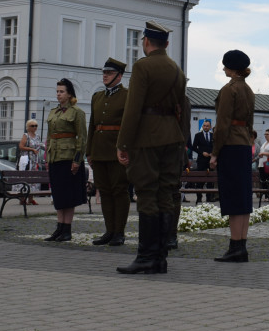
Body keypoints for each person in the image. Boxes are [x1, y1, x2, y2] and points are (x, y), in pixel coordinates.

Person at [115, 21, 188, 274]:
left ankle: (146, 256)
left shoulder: (142, 66)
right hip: (173, 137)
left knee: (147, 192)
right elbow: (182, 108)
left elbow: (133, 109)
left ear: (146, 42)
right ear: (166, 44)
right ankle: (160, 257)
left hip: (148, 138)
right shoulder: (176, 69)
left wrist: (123, 143)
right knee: (166, 194)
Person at [210, 49, 255, 263]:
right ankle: (241, 245)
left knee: (233, 196)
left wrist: (215, 152)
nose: (223, 68)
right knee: (243, 197)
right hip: (244, 144)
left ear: (231, 68)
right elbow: (250, 123)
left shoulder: (229, 90)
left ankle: (235, 246)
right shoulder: (248, 89)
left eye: (225, 64)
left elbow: (223, 124)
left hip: (230, 145)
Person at [87, 57, 130, 246]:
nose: (105, 76)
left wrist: (126, 149)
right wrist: (89, 150)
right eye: (104, 72)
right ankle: (109, 230)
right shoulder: (97, 97)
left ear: (119, 76)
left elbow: (129, 125)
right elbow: (92, 126)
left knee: (119, 191)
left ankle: (119, 231)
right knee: (104, 191)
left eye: (109, 73)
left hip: (117, 151)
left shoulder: (127, 95)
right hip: (99, 151)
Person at [44, 78, 88, 242]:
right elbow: (49, 137)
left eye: (61, 91)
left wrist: (77, 160)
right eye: (57, 91)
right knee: (58, 194)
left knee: (68, 195)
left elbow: (82, 138)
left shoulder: (77, 112)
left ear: (69, 94)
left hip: (69, 158)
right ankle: (59, 228)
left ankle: (67, 229)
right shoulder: (53, 112)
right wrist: (47, 158)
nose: (58, 94)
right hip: (55, 157)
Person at [17, 119, 45, 203]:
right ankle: (22, 198)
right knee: (25, 178)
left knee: (33, 178)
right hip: (27, 160)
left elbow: (40, 146)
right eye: (32, 126)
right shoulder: (26, 135)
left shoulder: (38, 136)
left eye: (36, 126)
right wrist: (31, 149)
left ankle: (31, 198)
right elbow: (21, 146)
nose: (34, 127)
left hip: (35, 160)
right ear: (28, 127)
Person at [192, 119, 216, 203]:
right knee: (200, 180)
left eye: (207, 126)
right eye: (204, 126)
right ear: (202, 126)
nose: (206, 127)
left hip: (210, 161)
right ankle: (199, 197)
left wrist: (213, 153)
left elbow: (215, 146)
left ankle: (209, 197)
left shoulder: (213, 135)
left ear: (210, 127)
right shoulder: (198, 135)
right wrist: (202, 153)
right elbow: (194, 147)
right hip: (201, 160)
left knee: (210, 180)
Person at [257, 128, 269, 196]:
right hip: (261, 163)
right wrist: (261, 154)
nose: (265, 135)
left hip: (268, 164)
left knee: (268, 180)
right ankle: (264, 195)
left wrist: (263, 153)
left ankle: (268, 195)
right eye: (265, 134)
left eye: (267, 134)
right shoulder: (264, 143)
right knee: (263, 180)